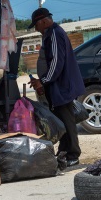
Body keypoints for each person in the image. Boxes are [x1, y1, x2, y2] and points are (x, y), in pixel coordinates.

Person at [27, 8, 85, 167]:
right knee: (62, 121)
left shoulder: (54, 34)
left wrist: (43, 81)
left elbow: (56, 63)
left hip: (62, 86)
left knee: (67, 121)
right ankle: (64, 151)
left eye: (36, 26)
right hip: (57, 86)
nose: (36, 29)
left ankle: (73, 154)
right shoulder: (52, 34)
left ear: (44, 22)